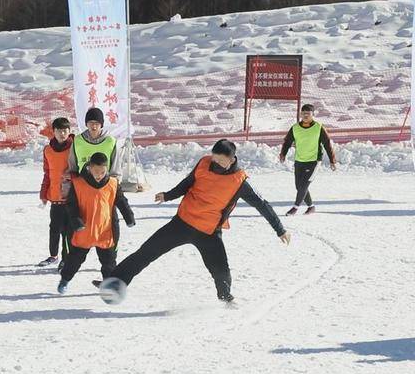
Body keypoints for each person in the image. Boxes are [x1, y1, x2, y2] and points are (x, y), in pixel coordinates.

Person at [100, 139, 290, 305]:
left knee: (220, 269)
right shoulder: (204, 163)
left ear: (232, 160)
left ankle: (226, 299)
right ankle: (115, 280)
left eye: (221, 161)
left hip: (208, 231)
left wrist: (279, 229)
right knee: (148, 250)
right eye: (214, 158)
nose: (215, 163)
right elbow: (187, 183)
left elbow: (262, 205)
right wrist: (168, 195)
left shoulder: (240, 181)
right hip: (183, 221)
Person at [57, 152, 135, 294]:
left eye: (102, 171)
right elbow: (71, 205)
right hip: (83, 230)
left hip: (106, 230)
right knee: (74, 260)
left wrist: (129, 217)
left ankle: (108, 283)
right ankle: (65, 280)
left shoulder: (113, 183)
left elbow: (121, 201)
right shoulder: (79, 183)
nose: (99, 175)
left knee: (109, 262)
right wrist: (76, 221)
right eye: (96, 171)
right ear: (89, 168)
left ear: (107, 169)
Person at [279, 104, 337, 216]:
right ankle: (311, 207)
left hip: (314, 161)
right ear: (300, 114)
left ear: (313, 115)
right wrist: (283, 154)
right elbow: (287, 142)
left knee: (303, 186)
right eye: (303, 113)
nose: (305, 116)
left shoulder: (318, 127)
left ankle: (295, 207)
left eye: (308, 114)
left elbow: (327, 144)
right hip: (299, 160)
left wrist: (332, 160)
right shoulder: (295, 128)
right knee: (298, 186)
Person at [38, 117, 73, 268]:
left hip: (70, 196)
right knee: (54, 228)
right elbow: (47, 173)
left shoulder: (74, 148)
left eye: (65, 130)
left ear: (69, 131)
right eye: (59, 130)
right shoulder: (48, 150)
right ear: (53, 132)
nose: (62, 133)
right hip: (54, 196)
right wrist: (43, 193)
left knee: (67, 230)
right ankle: (53, 256)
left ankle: (66, 259)